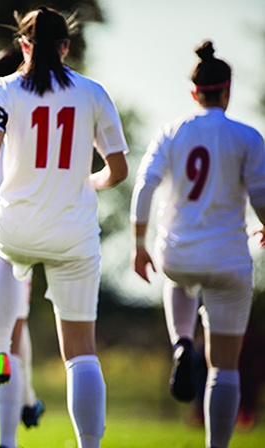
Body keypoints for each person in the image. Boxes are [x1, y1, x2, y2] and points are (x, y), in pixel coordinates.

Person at [0, 7, 129, 448]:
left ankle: (6, 440)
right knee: (80, 353)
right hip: (74, 234)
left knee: (0, 347)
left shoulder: (2, 90)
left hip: (14, 233)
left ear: (23, 45)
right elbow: (119, 169)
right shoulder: (91, 92)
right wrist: (91, 182)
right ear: (65, 46)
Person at [131, 41, 265, 448]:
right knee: (225, 367)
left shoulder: (172, 131)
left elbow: (144, 187)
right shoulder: (247, 136)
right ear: (228, 92)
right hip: (228, 258)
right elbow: (261, 195)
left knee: (179, 280)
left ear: (195, 93)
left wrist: (139, 243)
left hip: (178, 254)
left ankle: (182, 342)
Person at [0, 46, 46, 443]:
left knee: (0, 341)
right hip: (11, 241)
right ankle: (16, 415)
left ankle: (21, 400)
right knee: (7, 338)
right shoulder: (25, 123)